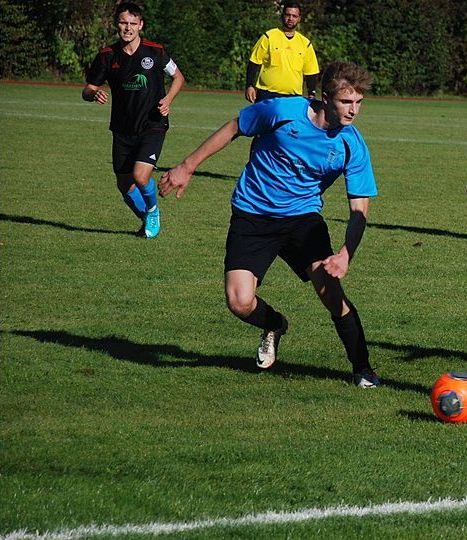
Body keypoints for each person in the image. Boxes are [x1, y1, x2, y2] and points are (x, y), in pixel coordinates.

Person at [158, 61, 381, 388]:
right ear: (325, 96)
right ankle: (275, 324)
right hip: (252, 213)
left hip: (302, 220)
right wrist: (186, 166)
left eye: (359, 102)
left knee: (330, 292)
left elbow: (360, 208)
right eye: (346, 102)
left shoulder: (352, 144)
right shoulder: (283, 110)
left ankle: (362, 369)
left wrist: (346, 253)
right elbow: (234, 128)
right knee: (239, 301)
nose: (354, 111)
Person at [82, 1, 185, 238]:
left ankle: (153, 210)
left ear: (141, 25)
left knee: (140, 176)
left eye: (132, 23)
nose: (128, 28)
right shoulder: (107, 56)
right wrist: (93, 93)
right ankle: (147, 216)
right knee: (124, 184)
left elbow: (178, 77)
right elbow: (87, 89)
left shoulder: (156, 51)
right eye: (123, 23)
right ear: (116, 25)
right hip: (122, 128)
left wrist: (168, 99)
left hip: (153, 124)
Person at [245, 1, 320, 103]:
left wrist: (312, 93)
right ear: (282, 16)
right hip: (267, 94)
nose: (290, 19)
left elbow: (311, 72)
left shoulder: (305, 44)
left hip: (293, 97)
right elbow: (253, 63)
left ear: (299, 19)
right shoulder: (268, 37)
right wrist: (249, 85)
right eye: (288, 15)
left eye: (294, 16)